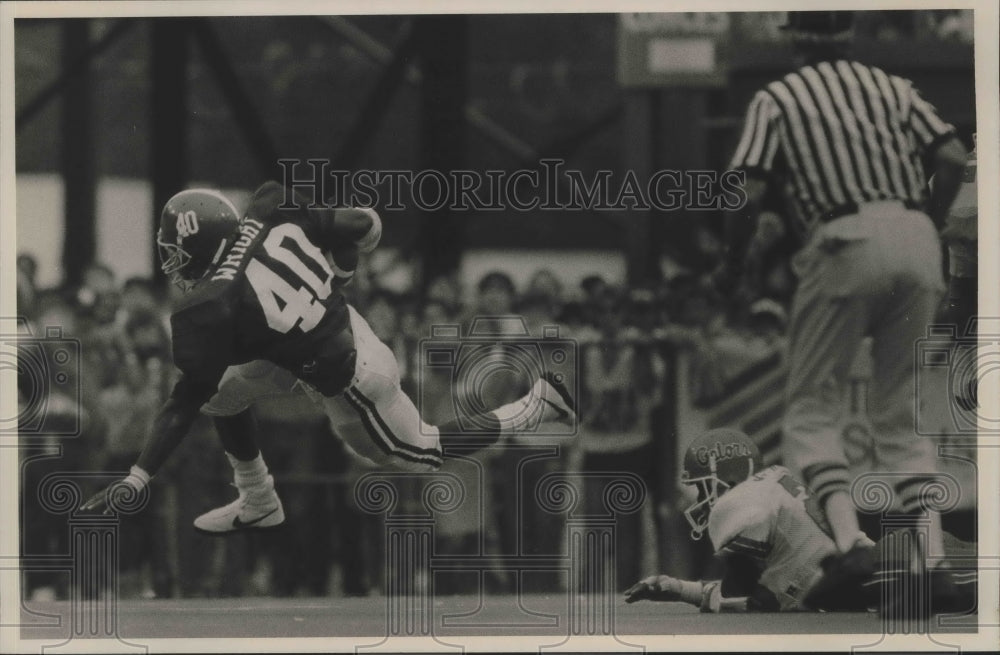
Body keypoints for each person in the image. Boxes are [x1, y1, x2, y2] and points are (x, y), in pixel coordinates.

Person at [81, 182, 576, 533]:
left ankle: (538, 406)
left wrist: (137, 476)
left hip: (353, 381)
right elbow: (362, 224)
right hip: (331, 337)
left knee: (423, 454)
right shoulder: (268, 208)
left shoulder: (208, 307)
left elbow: (179, 402)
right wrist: (338, 274)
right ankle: (258, 499)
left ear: (198, 244)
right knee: (222, 394)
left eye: (177, 250)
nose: (173, 263)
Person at [713, 11, 969, 576]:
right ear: (848, 36)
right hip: (917, 236)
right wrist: (927, 218)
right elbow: (951, 156)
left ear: (795, 42)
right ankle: (932, 559)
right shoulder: (894, 87)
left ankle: (852, 544)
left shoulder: (778, 97)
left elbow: (748, 190)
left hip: (843, 236)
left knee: (810, 406)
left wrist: (733, 265)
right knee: (901, 412)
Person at [623, 428, 975, 613]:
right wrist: (677, 589)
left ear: (726, 478)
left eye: (703, 487)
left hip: (890, 572)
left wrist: (683, 591)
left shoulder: (739, 504)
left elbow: (749, 597)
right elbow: (747, 591)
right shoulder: (771, 481)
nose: (700, 499)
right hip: (889, 563)